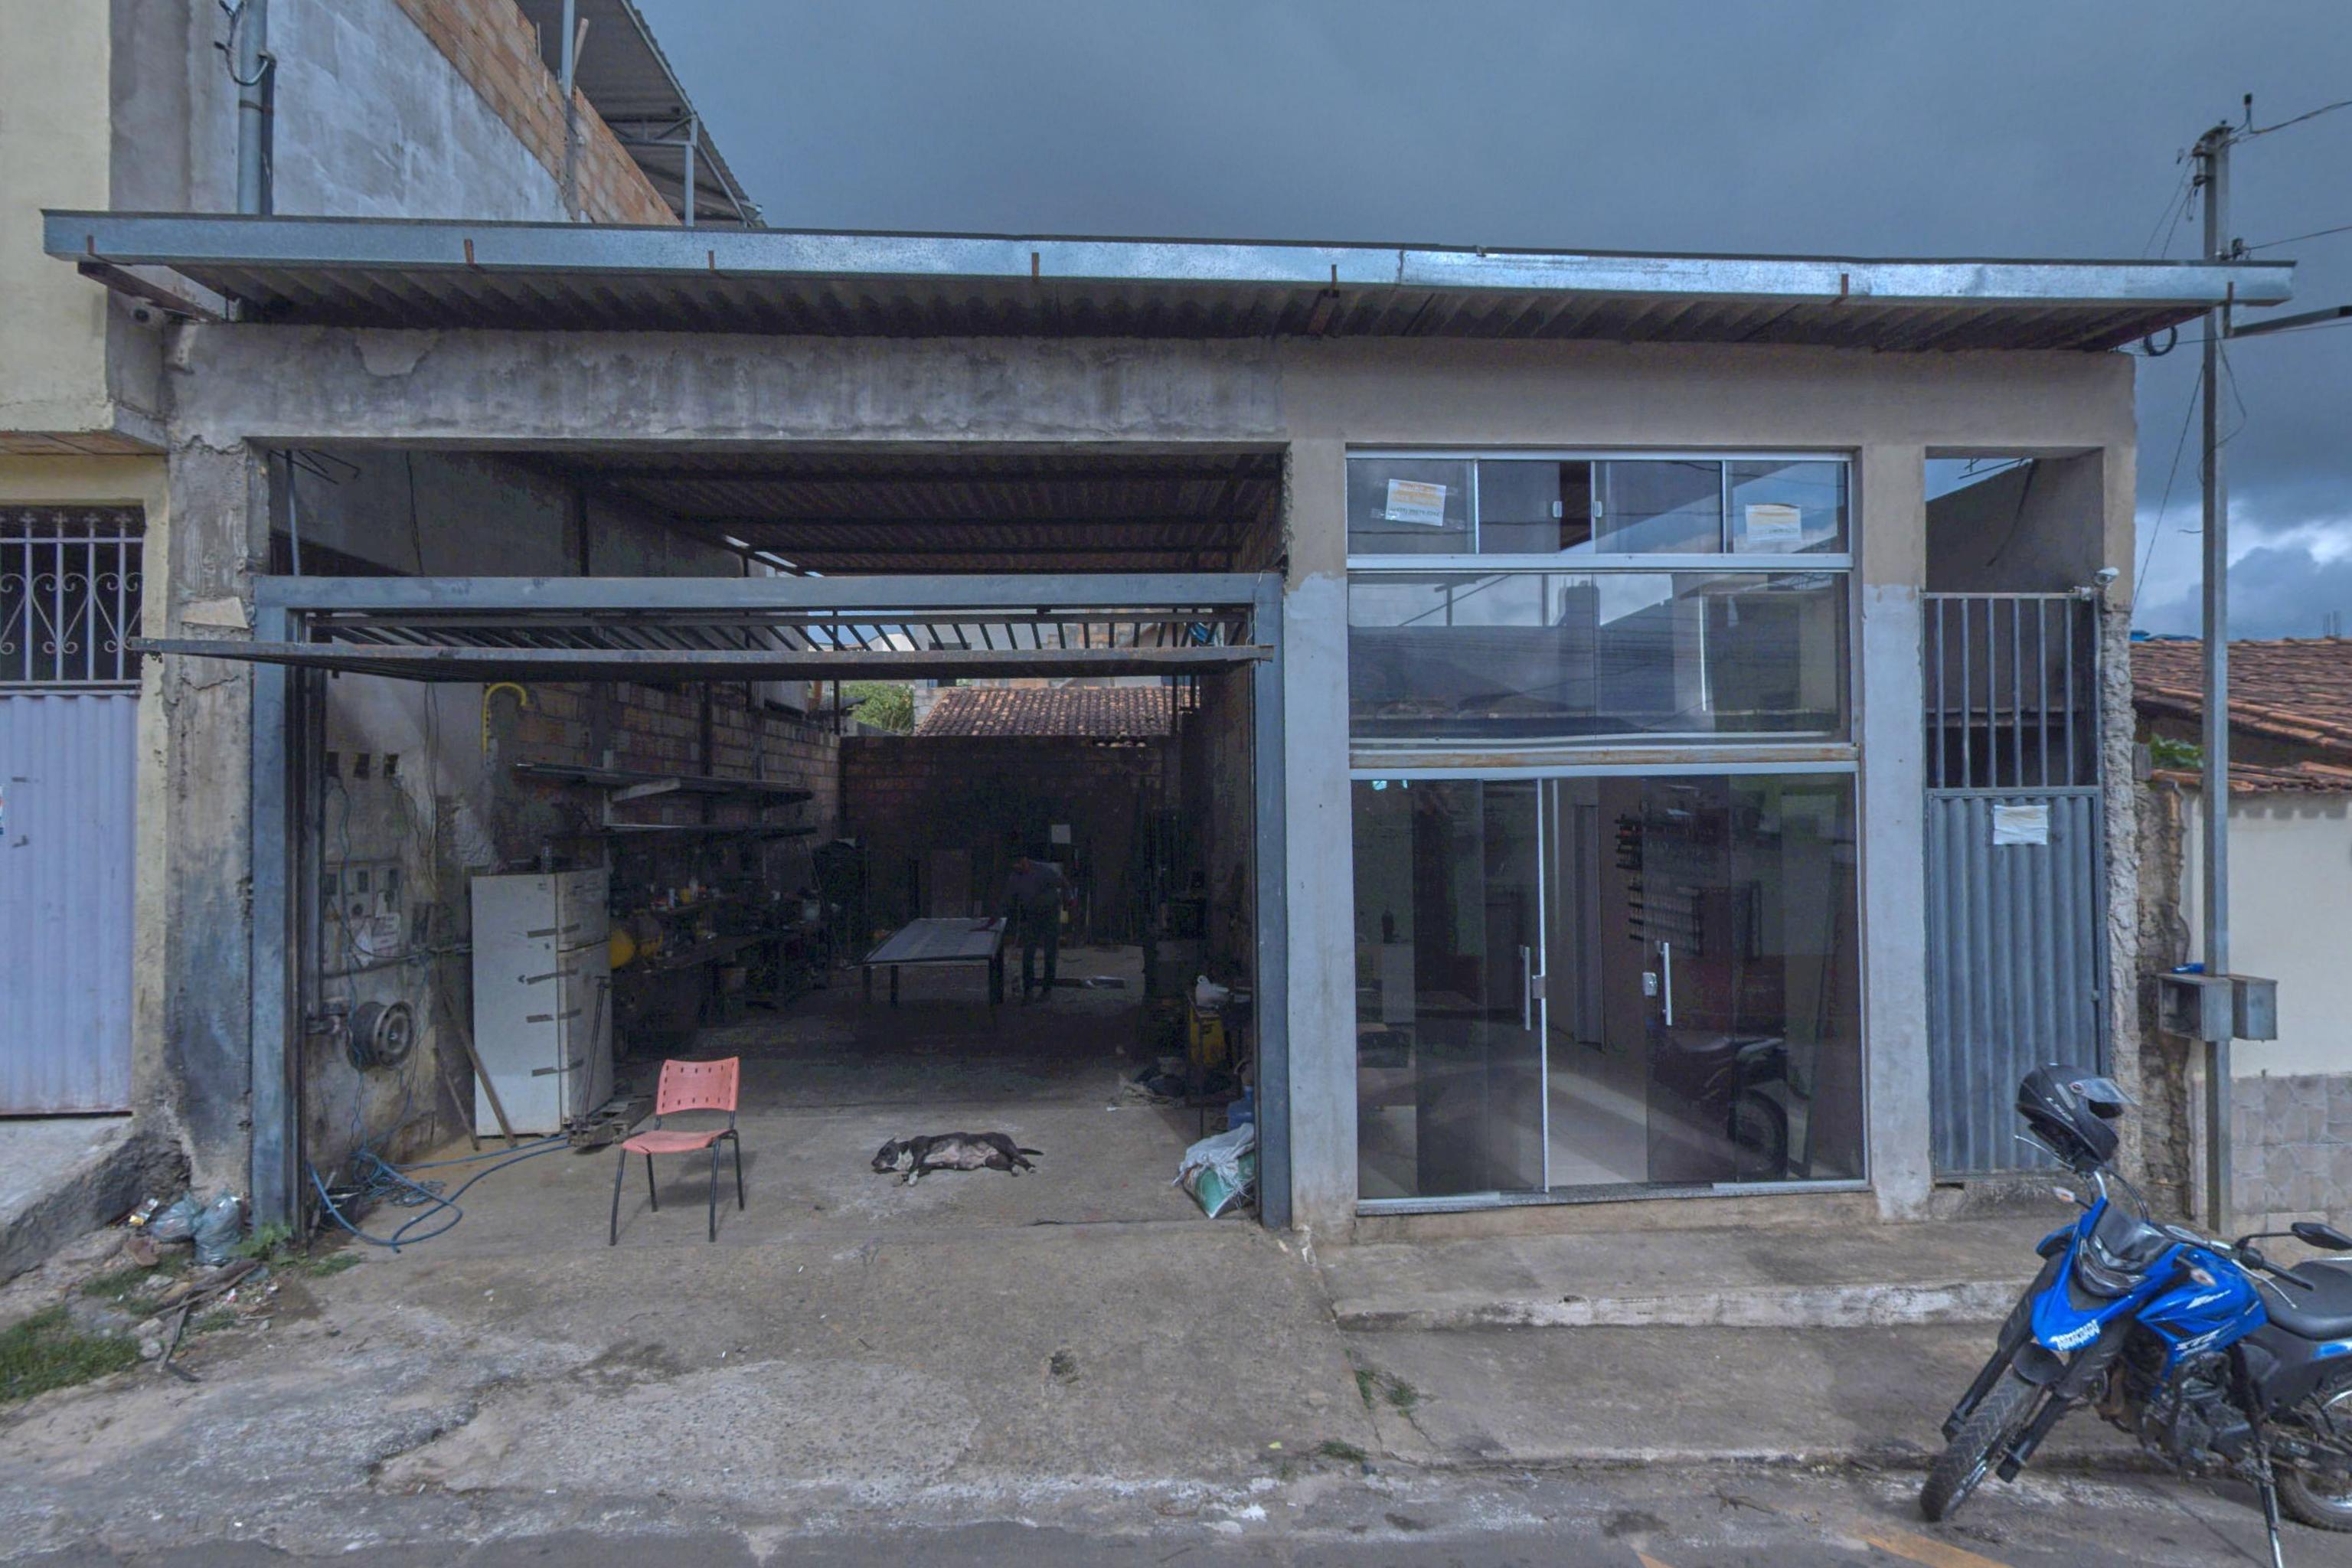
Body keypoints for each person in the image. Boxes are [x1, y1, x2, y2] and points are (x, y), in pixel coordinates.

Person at [1000, 849, 1071, 1003]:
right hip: (1032, 915)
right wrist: (998, 916)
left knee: (1050, 952)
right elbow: (1008, 898)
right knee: (1028, 952)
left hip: (1050, 913)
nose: (1017, 868)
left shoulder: (1044, 871)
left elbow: (1064, 883)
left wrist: (1068, 903)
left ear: (1025, 861)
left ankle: (1047, 990)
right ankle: (1028, 990)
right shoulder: (1015, 877)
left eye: (1019, 865)